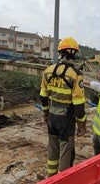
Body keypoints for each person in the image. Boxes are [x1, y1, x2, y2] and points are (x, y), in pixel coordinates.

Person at [39, 37, 86, 177]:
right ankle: (62, 179)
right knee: (66, 151)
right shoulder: (76, 75)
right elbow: (78, 105)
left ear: (60, 53)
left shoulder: (48, 71)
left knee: (52, 147)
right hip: (66, 119)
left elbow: (42, 96)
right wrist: (82, 124)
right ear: (75, 54)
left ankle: (51, 177)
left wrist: (46, 114)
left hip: (52, 117)